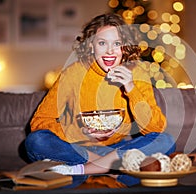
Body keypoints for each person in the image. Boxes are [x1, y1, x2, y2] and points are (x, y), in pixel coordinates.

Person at [25, 13, 176, 187]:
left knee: (167, 141)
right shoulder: (74, 73)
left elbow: (155, 128)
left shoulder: (138, 72)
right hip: (78, 149)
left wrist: (130, 87)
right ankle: (109, 170)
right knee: (35, 141)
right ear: (91, 46)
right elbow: (39, 122)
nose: (110, 51)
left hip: (117, 149)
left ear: (125, 47)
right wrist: (81, 131)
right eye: (102, 43)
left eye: (117, 44)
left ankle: (82, 172)